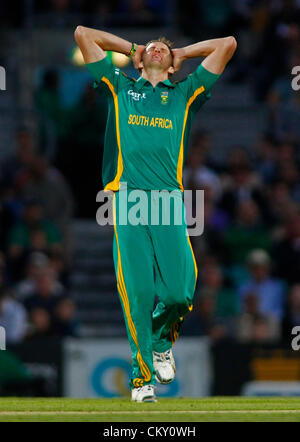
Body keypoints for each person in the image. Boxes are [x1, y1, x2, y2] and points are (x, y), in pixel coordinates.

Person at [74, 25, 237, 402]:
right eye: (152, 47)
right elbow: (83, 34)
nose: (157, 49)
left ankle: (163, 341)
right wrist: (132, 47)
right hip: (128, 201)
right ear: (141, 59)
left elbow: (227, 44)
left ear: (172, 64)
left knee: (180, 292)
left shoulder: (184, 92)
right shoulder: (120, 86)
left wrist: (185, 52)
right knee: (138, 292)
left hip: (167, 202)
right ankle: (140, 380)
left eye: (164, 48)